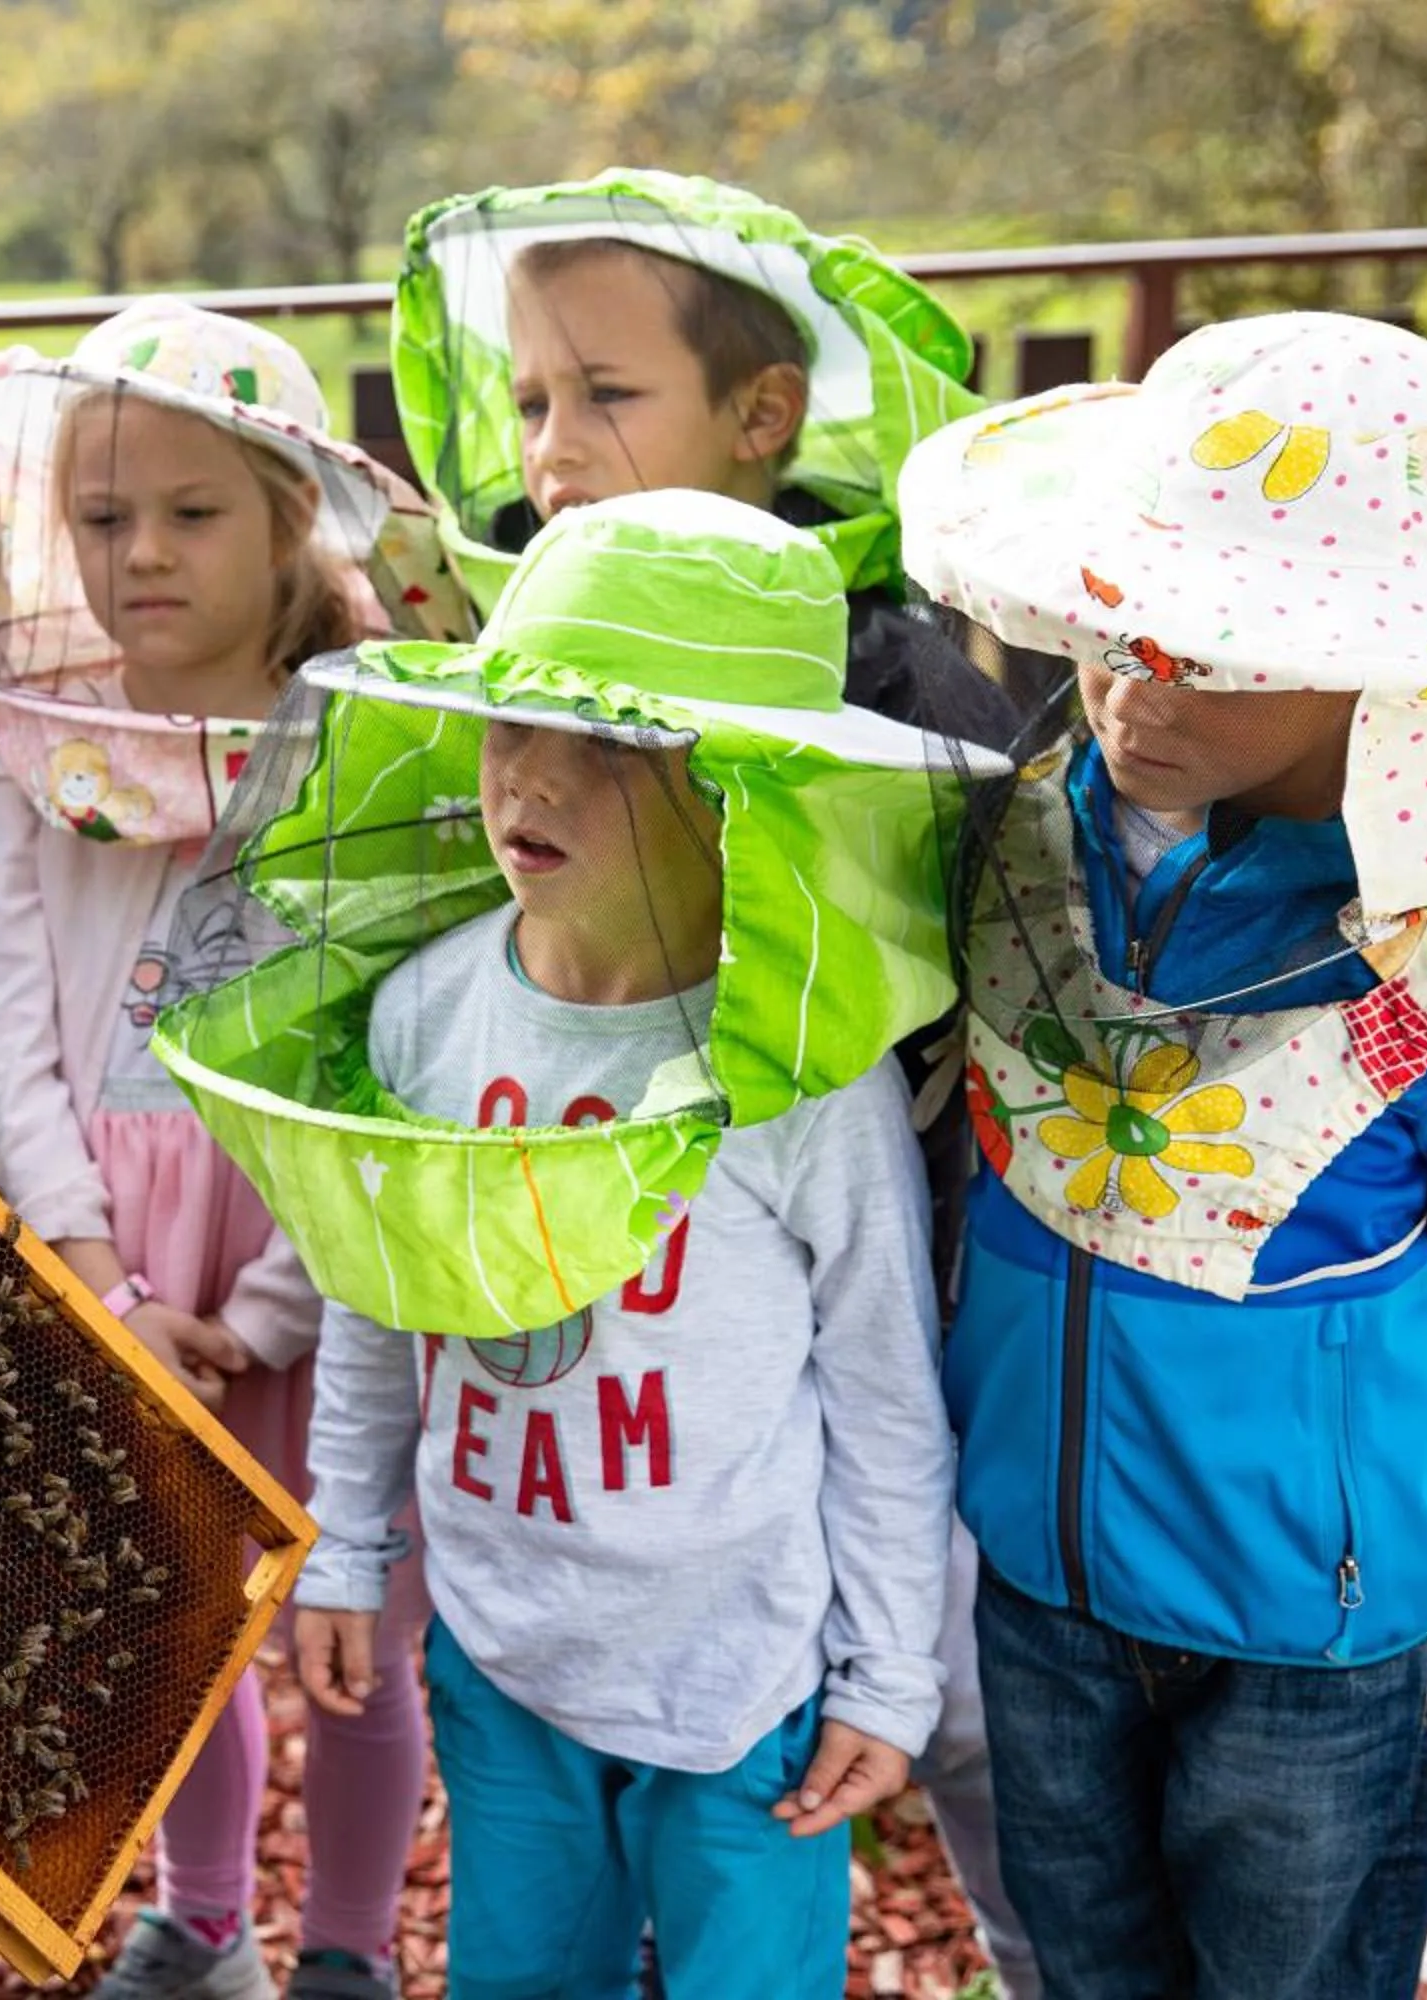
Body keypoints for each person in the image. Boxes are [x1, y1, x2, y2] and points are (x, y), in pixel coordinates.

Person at [901, 311, 1427, 1997]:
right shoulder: (1027, 835)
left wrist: (1297, 1371)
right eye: (1122, 627)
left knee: (1295, 1970)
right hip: (1037, 1567)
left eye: (1218, 647)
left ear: (1391, 654)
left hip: (1308, 1617)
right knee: (1085, 1956)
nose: (1135, 685)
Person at [389, 166, 1035, 1989]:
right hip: (598, 1343)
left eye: (607, 393)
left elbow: (1007, 1000)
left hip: (860, 1287)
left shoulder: (911, 694)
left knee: (946, 1726)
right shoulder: (541, 670)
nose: (552, 443)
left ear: (763, 417)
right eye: (527, 400)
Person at [242, 492, 962, 2000]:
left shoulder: (805, 1079)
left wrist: (891, 1677)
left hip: (746, 1671)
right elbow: (383, 1292)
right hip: (507, 1638)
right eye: (516, 725)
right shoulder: (425, 1015)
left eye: (615, 744)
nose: (534, 779)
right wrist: (347, 1543)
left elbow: (888, 1397)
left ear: (748, 791)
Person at [0, 300, 466, 2000]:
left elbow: (405, 1029)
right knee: (167, 1608)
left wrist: (285, 1299)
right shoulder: (30, 752)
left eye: (190, 512)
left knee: (355, 1614)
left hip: (314, 1236)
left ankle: (348, 1949)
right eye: (103, 519)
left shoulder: (374, 748)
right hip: (111, 1243)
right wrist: (93, 1276)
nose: (140, 553)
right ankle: (207, 1911)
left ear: (291, 516)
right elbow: (4, 1032)